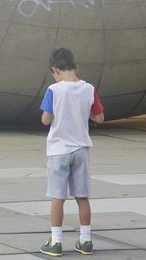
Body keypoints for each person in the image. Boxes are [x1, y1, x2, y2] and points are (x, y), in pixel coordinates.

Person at [39, 48, 104, 257]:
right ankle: (85, 240)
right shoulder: (89, 89)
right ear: (76, 68)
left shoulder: (53, 90)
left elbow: (45, 119)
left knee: (58, 197)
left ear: (55, 70)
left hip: (59, 149)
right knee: (82, 196)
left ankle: (56, 242)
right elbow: (100, 117)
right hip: (81, 149)